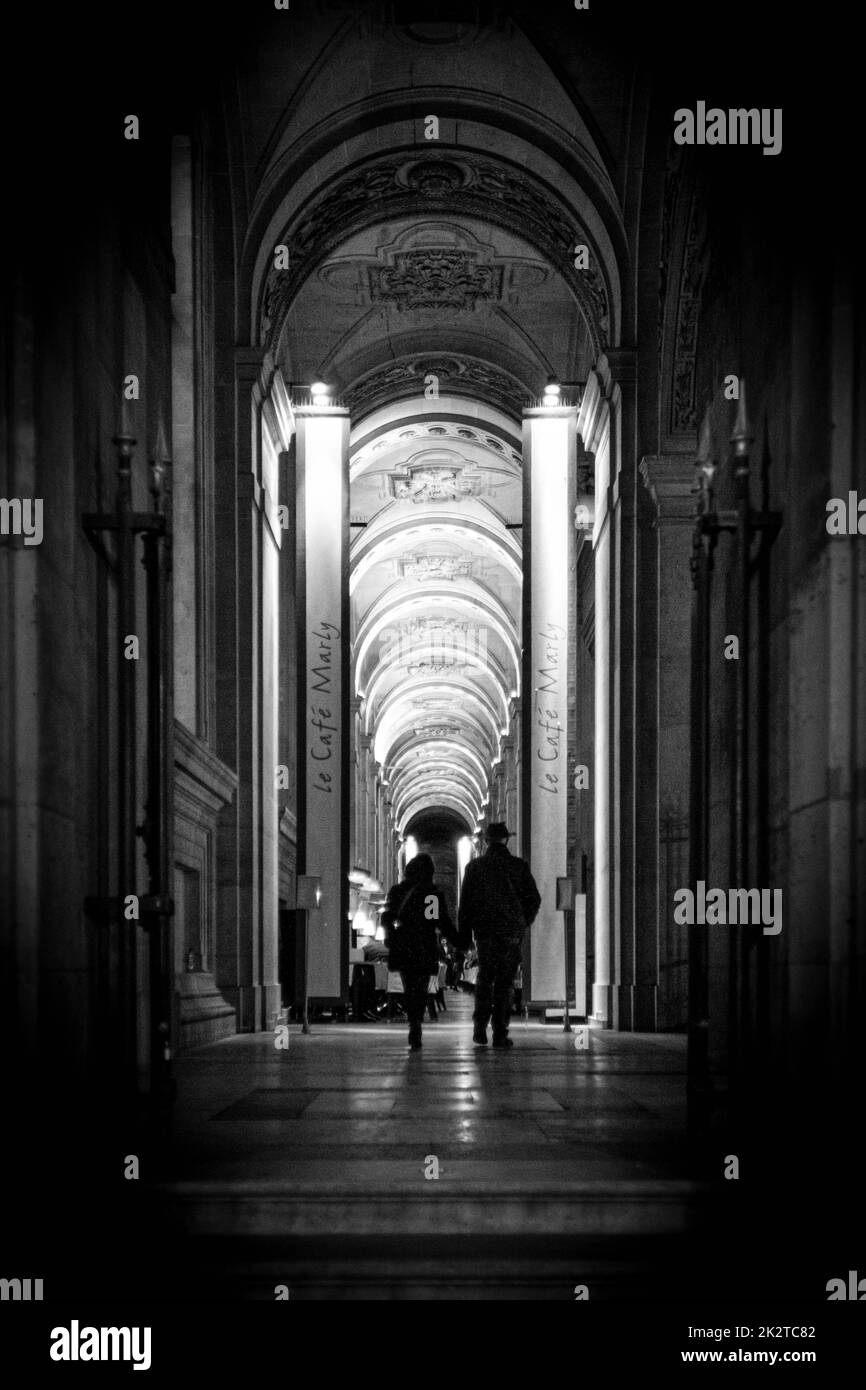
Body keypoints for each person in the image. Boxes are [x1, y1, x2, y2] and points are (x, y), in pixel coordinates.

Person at [457, 823, 541, 1048]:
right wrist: (522, 922)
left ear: (485, 841)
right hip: (510, 934)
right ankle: (500, 1033)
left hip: (484, 934)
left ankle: (479, 1029)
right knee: (505, 983)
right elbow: (534, 899)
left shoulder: (474, 868)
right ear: (507, 840)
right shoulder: (518, 867)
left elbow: (465, 907)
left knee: (484, 979)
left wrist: (464, 939)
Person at [381, 854, 457, 1050]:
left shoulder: (398, 891)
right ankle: (417, 1021)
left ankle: (413, 1021)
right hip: (424, 944)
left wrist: (391, 935)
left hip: (404, 944)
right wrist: (458, 940)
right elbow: (438, 921)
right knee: (421, 987)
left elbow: (387, 917)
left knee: (408, 986)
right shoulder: (431, 894)